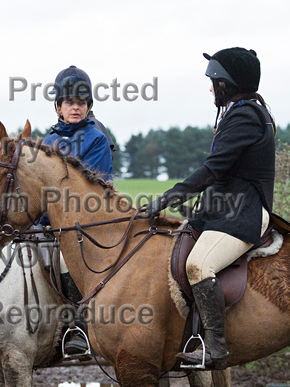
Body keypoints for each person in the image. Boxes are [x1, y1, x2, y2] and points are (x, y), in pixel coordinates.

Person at [144, 47, 275, 369]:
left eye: (214, 81)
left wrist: (168, 197)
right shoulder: (239, 112)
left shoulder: (245, 116)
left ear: (228, 84)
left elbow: (214, 169)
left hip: (243, 212)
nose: (211, 87)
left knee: (198, 267)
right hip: (222, 211)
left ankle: (216, 348)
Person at [39, 65, 114, 358]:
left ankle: (77, 328)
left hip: (87, 222)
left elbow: (91, 190)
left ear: (89, 106)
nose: (75, 108)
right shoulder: (49, 141)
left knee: (64, 259)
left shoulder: (96, 139)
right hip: (51, 222)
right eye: (69, 102)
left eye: (81, 103)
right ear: (58, 106)